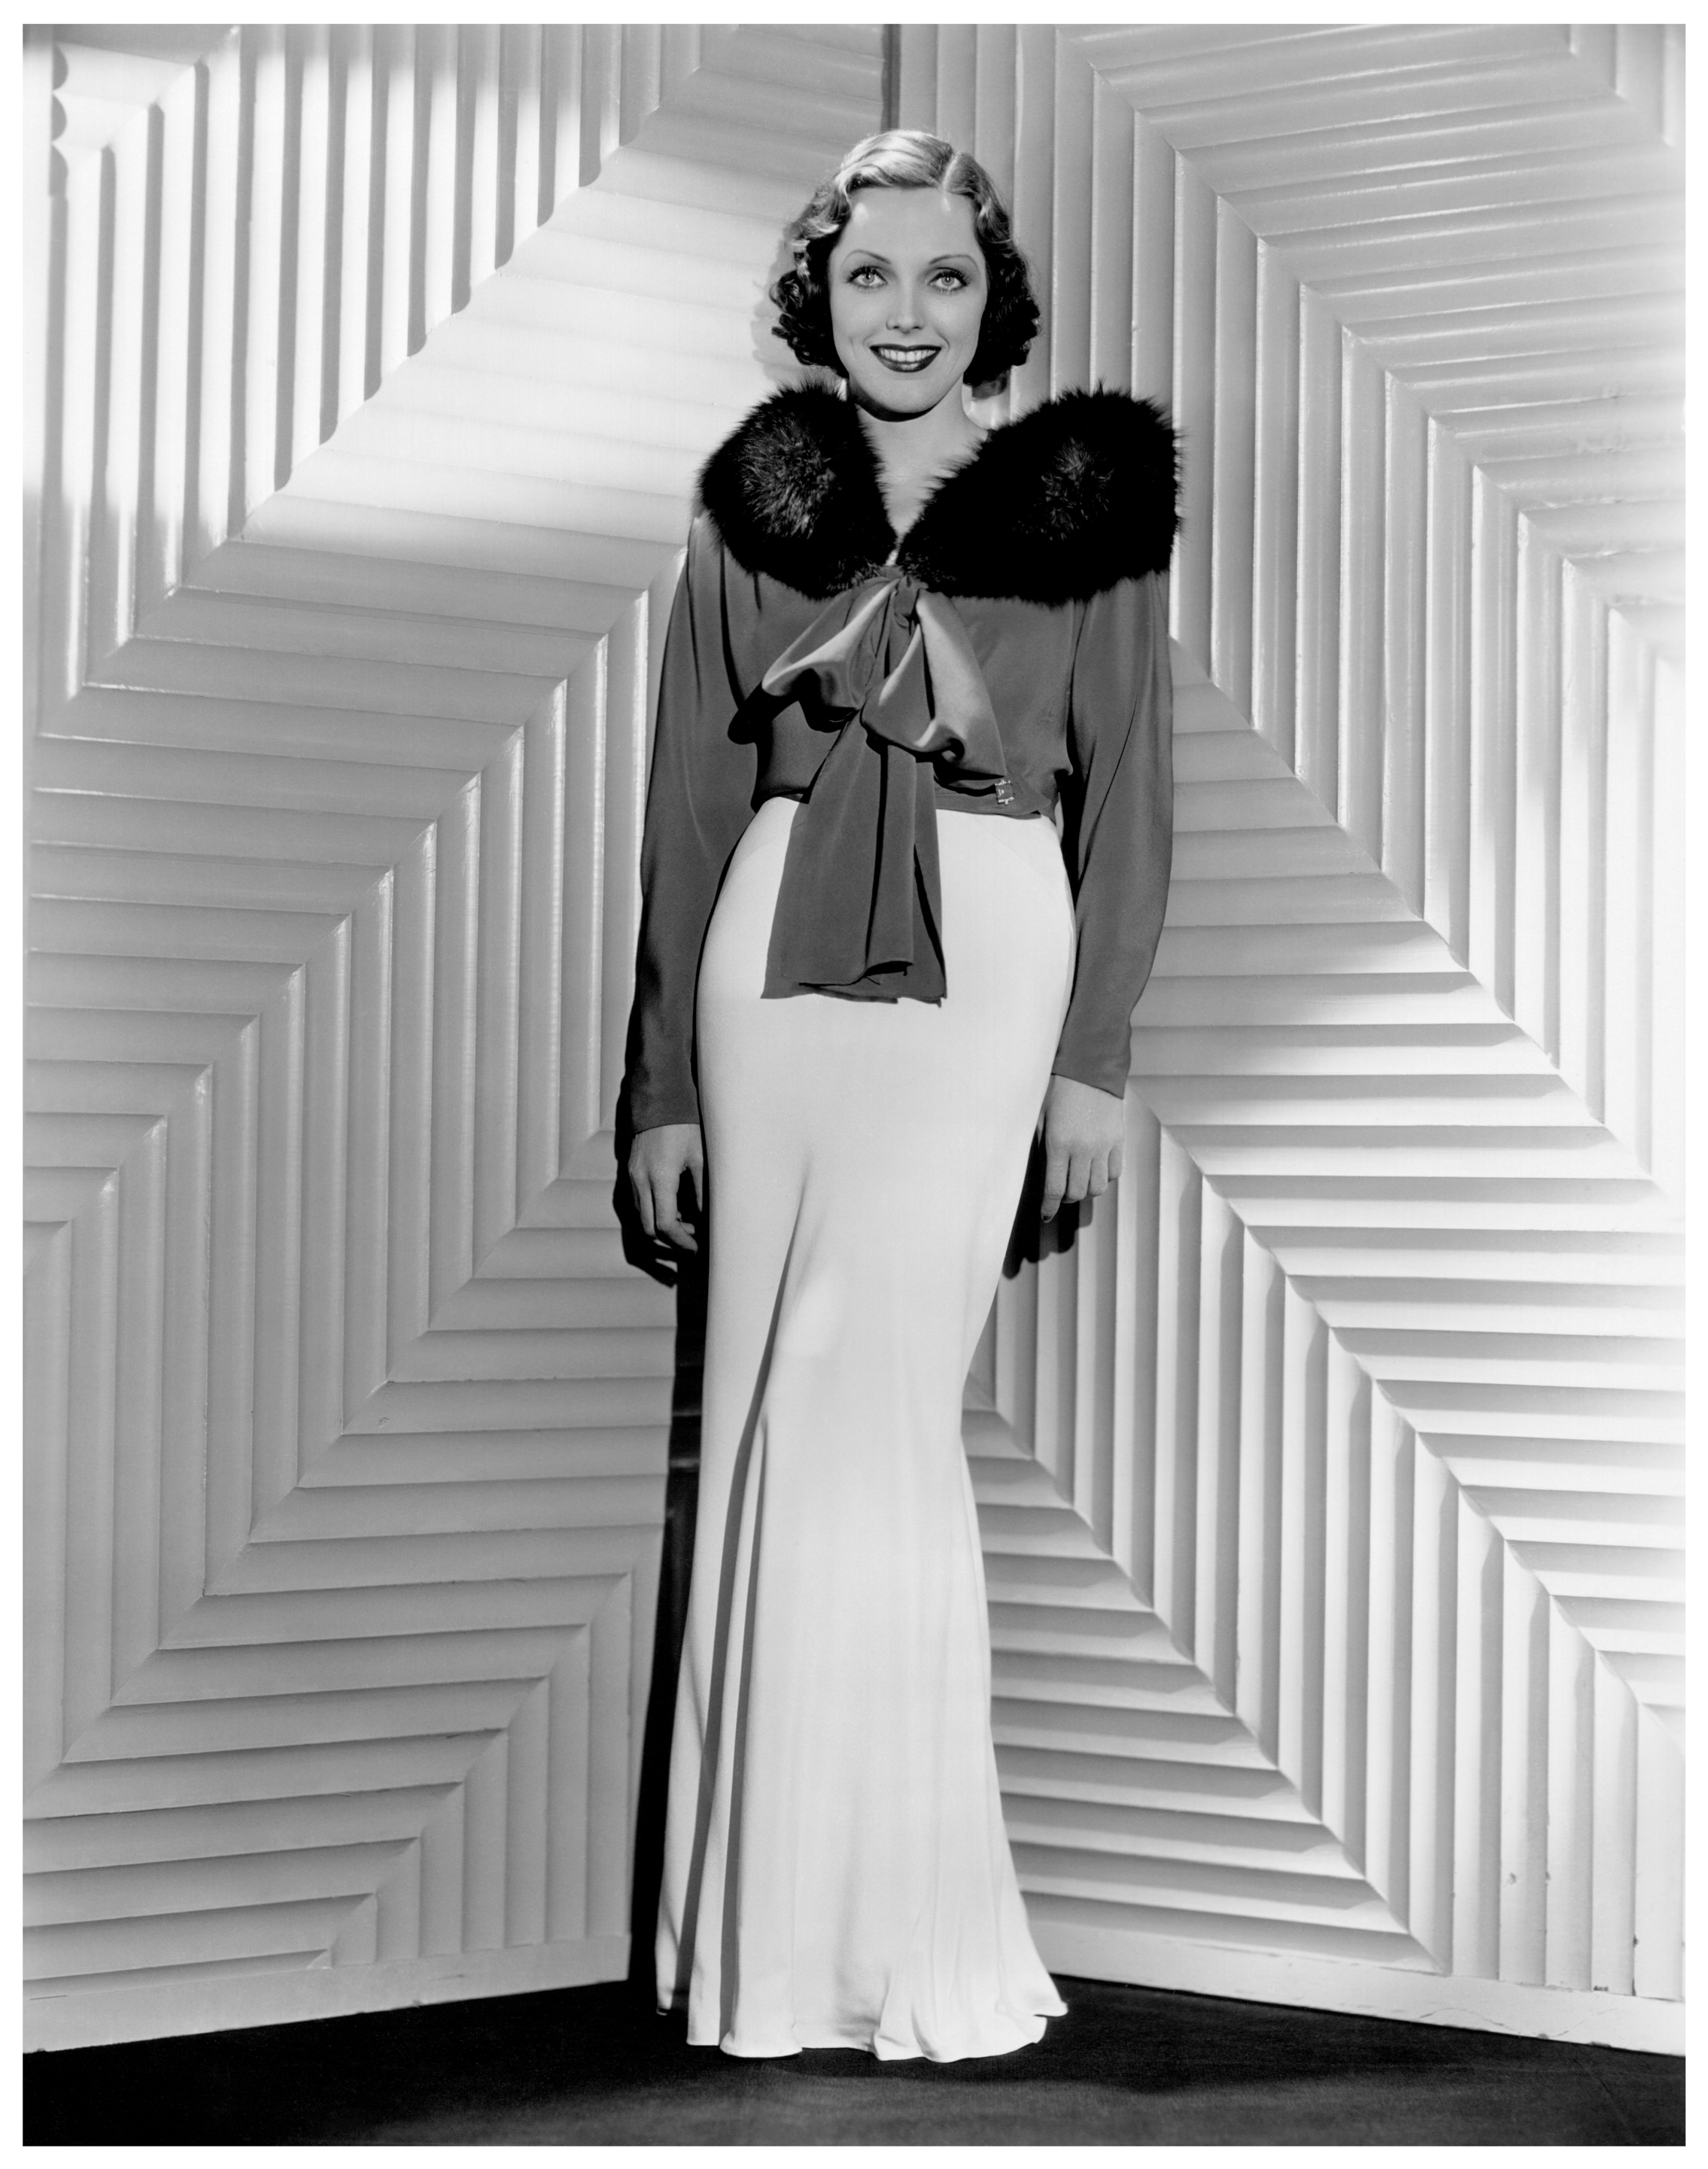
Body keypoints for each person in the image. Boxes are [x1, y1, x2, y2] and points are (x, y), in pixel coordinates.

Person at [620, 129, 1178, 2062]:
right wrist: (659, 1090)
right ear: (819, 297)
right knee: (766, 1415)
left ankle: (900, 1926)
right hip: (769, 961)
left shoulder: (1086, 509)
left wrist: (1093, 1062)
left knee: (868, 1407)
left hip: (987, 950)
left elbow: (1135, 803)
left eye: (945, 277)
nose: (908, 314)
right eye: (870, 275)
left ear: (991, 301)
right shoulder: (753, 509)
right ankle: (766, 1949)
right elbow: (690, 811)